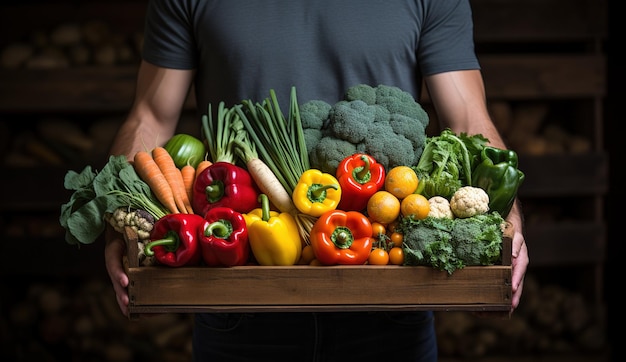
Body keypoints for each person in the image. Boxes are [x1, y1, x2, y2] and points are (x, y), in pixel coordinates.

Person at [105, 1, 530, 361]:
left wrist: (505, 229)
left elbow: (469, 121)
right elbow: (150, 117)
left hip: (389, 288)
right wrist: (117, 224)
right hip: (238, 294)